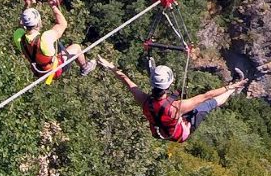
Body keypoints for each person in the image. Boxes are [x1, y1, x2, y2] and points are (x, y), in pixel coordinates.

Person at [98, 56, 245, 141]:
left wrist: (111, 67)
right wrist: (228, 87)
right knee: (208, 104)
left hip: (162, 129)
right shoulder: (177, 107)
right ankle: (234, 89)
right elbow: (206, 96)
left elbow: (127, 82)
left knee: (199, 103)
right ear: (168, 84)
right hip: (181, 132)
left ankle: (233, 88)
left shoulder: (144, 100)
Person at [13, 0, 95, 80]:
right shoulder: (45, 38)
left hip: (39, 72)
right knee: (76, 47)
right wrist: (53, 6)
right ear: (38, 23)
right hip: (54, 71)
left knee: (57, 45)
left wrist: (27, 4)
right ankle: (85, 67)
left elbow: (22, 23)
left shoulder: (19, 37)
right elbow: (62, 24)